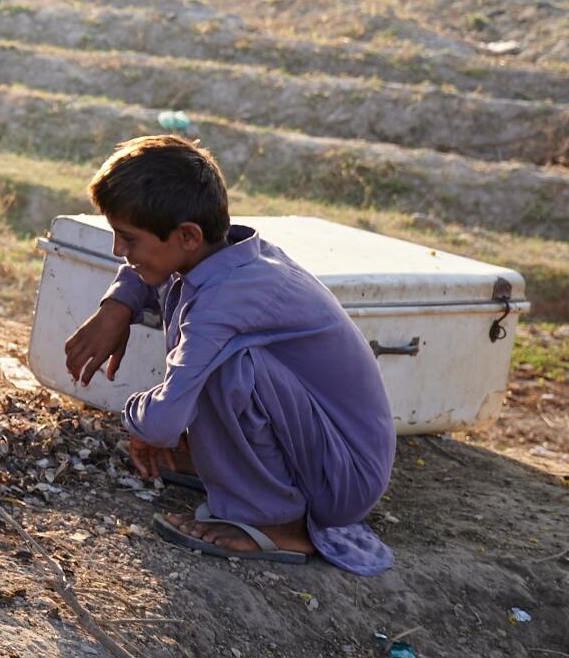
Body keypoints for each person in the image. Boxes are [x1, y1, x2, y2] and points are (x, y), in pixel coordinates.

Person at [64, 136, 396, 575]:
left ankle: (280, 522)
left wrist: (139, 418)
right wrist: (118, 305)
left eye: (128, 238)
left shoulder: (225, 302)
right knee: (209, 362)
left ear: (187, 235)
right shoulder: (228, 254)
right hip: (328, 454)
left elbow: (162, 421)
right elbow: (151, 269)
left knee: (225, 365)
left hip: (342, 480)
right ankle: (229, 469)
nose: (118, 252)